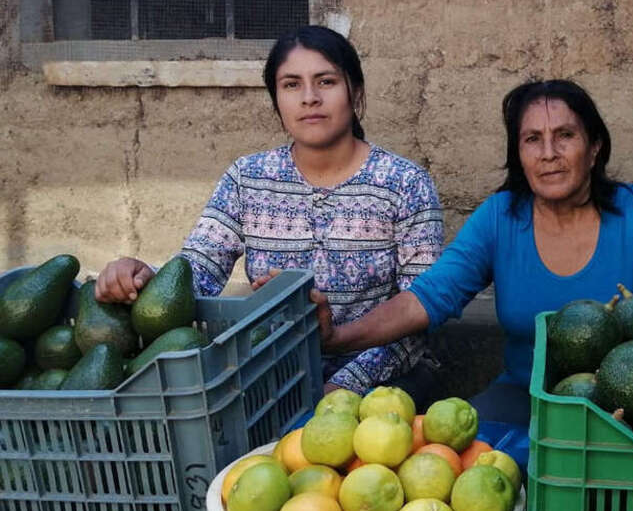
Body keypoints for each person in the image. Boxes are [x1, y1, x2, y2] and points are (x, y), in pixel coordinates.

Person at [312, 79, 633, 426]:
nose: (549, 154)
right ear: (519, 154)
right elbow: (429, 296)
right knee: (460, 454)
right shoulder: (500, 218)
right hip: (526, 398)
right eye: (532, 139)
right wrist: (339, 338)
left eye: (565, 136)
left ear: (595, 146)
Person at [94, 26, 444, 405]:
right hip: (276, 376)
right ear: (276, 100)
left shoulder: (404, 183)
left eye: (326, 81)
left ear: (355, 91)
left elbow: (418, 315)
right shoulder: (247, 179)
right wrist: (141, 278)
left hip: (385, 384)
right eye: (291, 85)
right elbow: (197, 274)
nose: (309, 98)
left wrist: (342, 388)